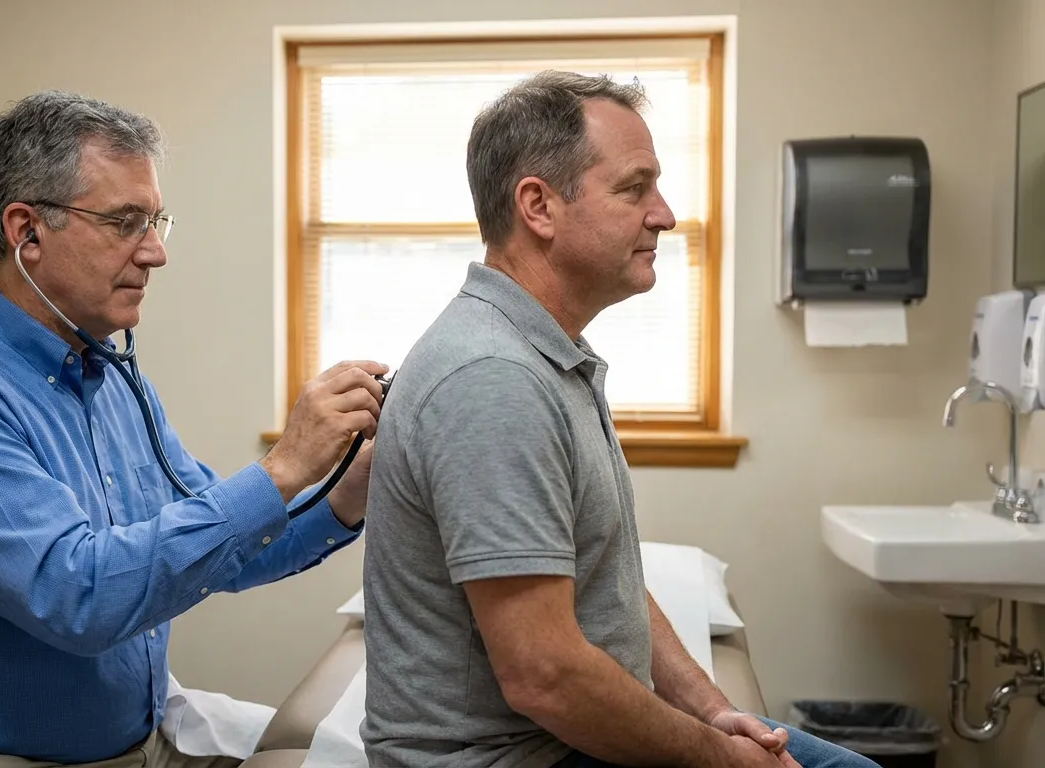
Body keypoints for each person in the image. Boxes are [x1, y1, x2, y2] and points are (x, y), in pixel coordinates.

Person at [0, 90, 388, 768]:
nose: (155, 253)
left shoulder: (108, 376)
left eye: (157, 221)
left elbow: (230, 543)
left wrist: (348, 492)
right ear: (27, 232)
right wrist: (282, 468)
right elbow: (80, 596)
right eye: (126, 222)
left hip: (138, 740)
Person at [360, 71, 879, 768]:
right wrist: (725, 761)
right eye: (634, 189)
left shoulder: (546, 353)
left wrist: (713, 711)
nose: (664, 214)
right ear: (538, 207)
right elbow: (546, 677)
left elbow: (607, 578)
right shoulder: (492, 379)